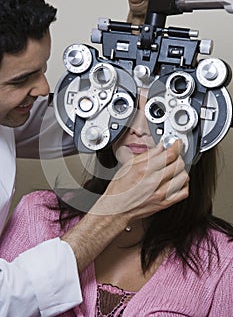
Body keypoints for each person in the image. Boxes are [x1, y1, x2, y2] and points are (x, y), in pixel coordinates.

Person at [0, 0, 184, 315]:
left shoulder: (221, 259)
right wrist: (113, 213)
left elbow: (79, 120)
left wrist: (138, 29)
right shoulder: (38, 216)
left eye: (43, 70)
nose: (43, 89)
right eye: (22, 80)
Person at [1, 87, 232, 317]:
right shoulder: (39, 214)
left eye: (160, 110)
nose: (138, 129)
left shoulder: (223, 258)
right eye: (124, 107)